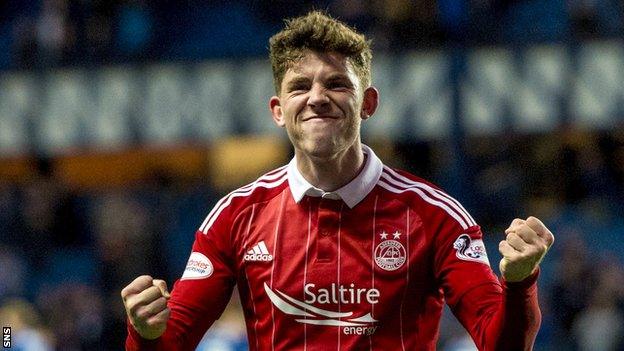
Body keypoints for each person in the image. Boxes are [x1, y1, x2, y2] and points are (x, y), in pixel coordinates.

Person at [122, 11, 554, 350]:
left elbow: (501, 343)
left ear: (368, 103)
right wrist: (145, 330)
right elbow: (171, 340)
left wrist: (520, 283)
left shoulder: (435, 216)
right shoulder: (235, 216)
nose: (316, 97)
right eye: (299, 87)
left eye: (336, 84)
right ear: (277, 110)